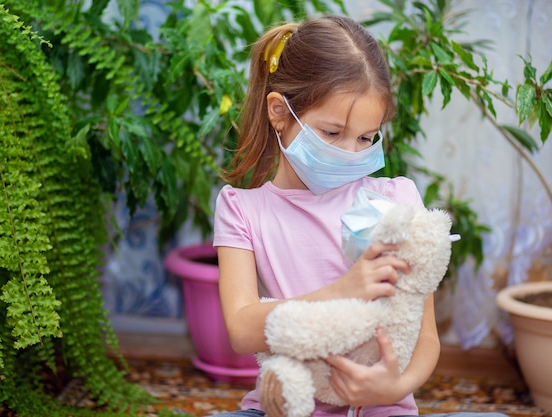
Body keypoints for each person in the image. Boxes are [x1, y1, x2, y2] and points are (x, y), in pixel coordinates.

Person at [213, 15, 508, 417]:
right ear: (280, 113)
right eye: (332, 134)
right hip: (285, 408)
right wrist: (342, 290)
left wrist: (395, 386)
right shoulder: (241, 210)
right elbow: (242, 329)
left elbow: (426, 337)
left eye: (366, 138)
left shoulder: (397, 200)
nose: (351, 153)